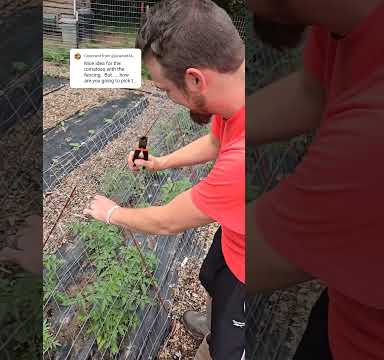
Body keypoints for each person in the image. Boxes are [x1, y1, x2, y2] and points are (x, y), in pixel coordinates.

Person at [84, 1, 245, 359]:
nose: (169, 99)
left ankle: (227, 339)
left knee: (231, 345)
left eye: (165, 90)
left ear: (194, 79)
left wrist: (112, 213)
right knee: (214, 278)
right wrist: (160, 163)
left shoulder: (246, 161)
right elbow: (215, 140)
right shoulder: (239, 98)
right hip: (238, 235)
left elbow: (168, 221)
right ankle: (215, 321)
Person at [246, 0, 384, 358]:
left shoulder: (371, 138)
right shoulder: (343, 19)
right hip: (352, 304)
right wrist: (221, 132)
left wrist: (121, 214)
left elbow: (246, 255)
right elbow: (311, 91)